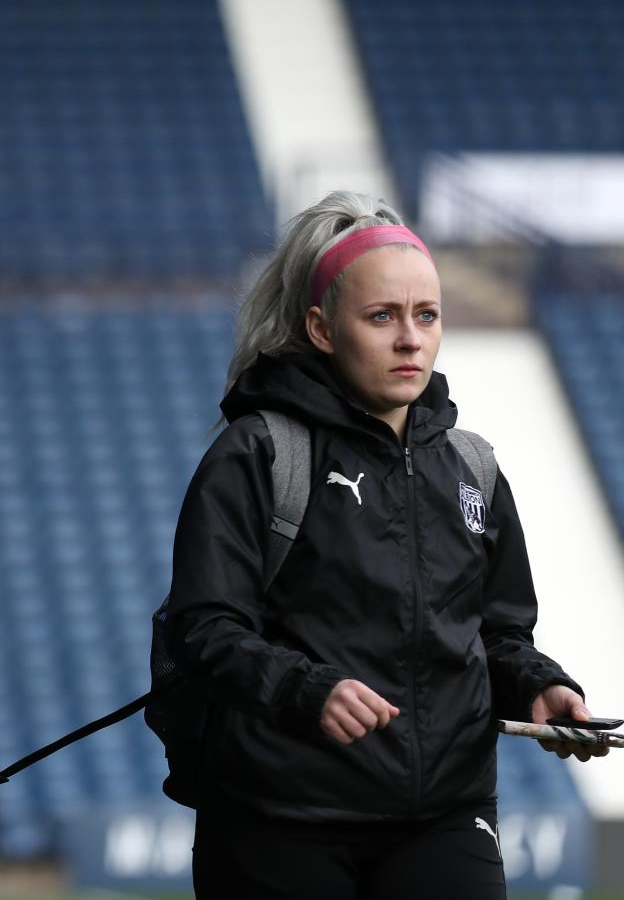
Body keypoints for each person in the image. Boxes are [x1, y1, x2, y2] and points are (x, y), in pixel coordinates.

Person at [164, 191, 605, 899]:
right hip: (279, 818)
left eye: (426, 315)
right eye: (382, 316)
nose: (410, 339)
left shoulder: (473, 467)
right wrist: (309, 690)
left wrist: (538, 685)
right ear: (321, 328)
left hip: (446, 817)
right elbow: (204, 628)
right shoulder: (258, 455)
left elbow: (496, 634)